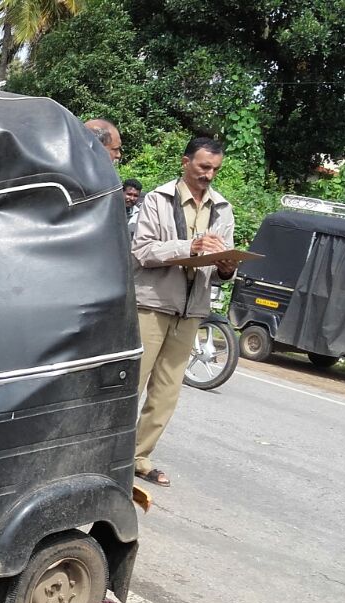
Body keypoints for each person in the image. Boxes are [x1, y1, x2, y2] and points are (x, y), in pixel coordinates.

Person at [130, 137, 236, 487]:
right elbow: (142, 251)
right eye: (204, 167)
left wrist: (225, 266)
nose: (209, 175)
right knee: (132, 383)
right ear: (185, 162)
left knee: (167, 391)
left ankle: (138, 457)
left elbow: (226, 265)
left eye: (215, 169)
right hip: (152, 304)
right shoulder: (157, 200)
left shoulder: (222, 208)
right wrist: (189, 247)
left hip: (192, 310)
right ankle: (106, 454)